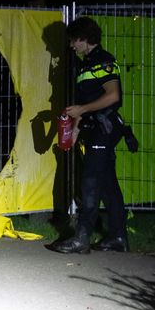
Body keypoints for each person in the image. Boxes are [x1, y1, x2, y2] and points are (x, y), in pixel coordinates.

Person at [49, 16, 130, 254]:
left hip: (104, 131)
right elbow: (87, 101)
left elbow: (113, 96)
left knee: (90, 182)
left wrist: (81, 111)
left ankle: (81, 239)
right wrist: (75, 129)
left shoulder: (103, 61)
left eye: (74, 40)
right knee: (108, 185)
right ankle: (118, 237)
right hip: (94, 129)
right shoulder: (86, 64)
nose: (71, 45)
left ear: (85, 38)